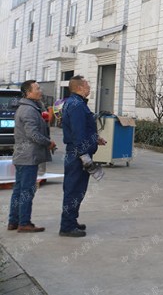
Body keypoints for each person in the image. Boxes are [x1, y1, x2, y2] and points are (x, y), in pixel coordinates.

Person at [59, 75, 106, 237]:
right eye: (87, 85)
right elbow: (77, 133)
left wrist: (95, 138)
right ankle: (67, 226)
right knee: (74, 189)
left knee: (77, 189)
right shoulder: (77, 105)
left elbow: (82, 129)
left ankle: (71, 220)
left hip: (78, 151)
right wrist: (84, 156)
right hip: (77, 154)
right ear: (79, 87)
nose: (89, 88)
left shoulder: (76, 103)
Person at [7, 80, 56, 233]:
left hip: (23, 156)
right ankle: (24, 223)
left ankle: (14, 221)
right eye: (37, 88)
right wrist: (48, 143)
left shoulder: (28, 107)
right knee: (27, 190)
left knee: (19, 189)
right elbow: (33, 134)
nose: (40, 91)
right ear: (28, 93)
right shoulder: (29, 110)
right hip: (28, 157)